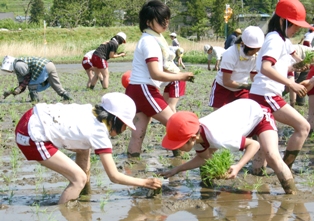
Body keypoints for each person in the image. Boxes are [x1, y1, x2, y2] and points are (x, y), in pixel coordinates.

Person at [14, 92, 161, 204]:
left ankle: (83, 193)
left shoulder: (91, 112)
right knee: (78, 178)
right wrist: (144, 182)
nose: (124, 130)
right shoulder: (98, 133)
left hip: (32, 116)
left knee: (84, 150)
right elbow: (114, 176)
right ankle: (67, 211)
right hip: (31, 134)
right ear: (116, 120)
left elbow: (84, 150)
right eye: (124, 126)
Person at [160, 99, 297, 194]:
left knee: (272, 156)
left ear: (192, 139)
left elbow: (254, 145)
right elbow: (204, 158)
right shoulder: (197, 132)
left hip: (259, 115)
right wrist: (177, 169)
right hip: (242, 116)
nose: (176, 148)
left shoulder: (218, 137)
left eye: (178, 145)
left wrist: (238, 166)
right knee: (257, 170)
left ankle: (292, 193)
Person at [249, 0, 314, 173]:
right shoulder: (274, 40)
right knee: (303, 127)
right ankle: (284, 169)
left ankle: (257, 173)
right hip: (267, 93)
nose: (297, 30)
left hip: (262, 92)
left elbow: (282, 66)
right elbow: (265, 68)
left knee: (266, 138)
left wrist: (300, 65)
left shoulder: (282, 39)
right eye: (295, 26)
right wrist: (290, 83)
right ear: (283, 21)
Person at [125, 0, 193, 157]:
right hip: (144, 89)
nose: (166, 23)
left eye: (167, 19)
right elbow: (155, 73)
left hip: (135, 89)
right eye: (162, 20)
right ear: (149, 22)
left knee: (139, 131)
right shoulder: (150, 42)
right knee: (176, 124)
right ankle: (180, 160)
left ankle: (133, 164)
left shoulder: (150, 39)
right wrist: (181, 76)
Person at [209, 26, 264, 110]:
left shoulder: (256, 55)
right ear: (242, 43)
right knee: (220, 118)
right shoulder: (230, 53)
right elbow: (226, 81)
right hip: (223, 88)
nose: (254, 53)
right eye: (252, 50)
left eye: (257, 50)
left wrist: (261, 85)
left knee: (247, 113)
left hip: (240, 90)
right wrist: (248, 86)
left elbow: (254, 76)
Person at [1, 55, 72, 102]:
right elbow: (22, 86)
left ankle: (35, 100)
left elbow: (27, 77)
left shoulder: (17, 65)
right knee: (55, 84)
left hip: (42, 67)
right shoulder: (17, 68)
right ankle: (67, 96)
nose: (8, 71)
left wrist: (20, 88)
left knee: (32, 84)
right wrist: (11, 92)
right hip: (50, 64)